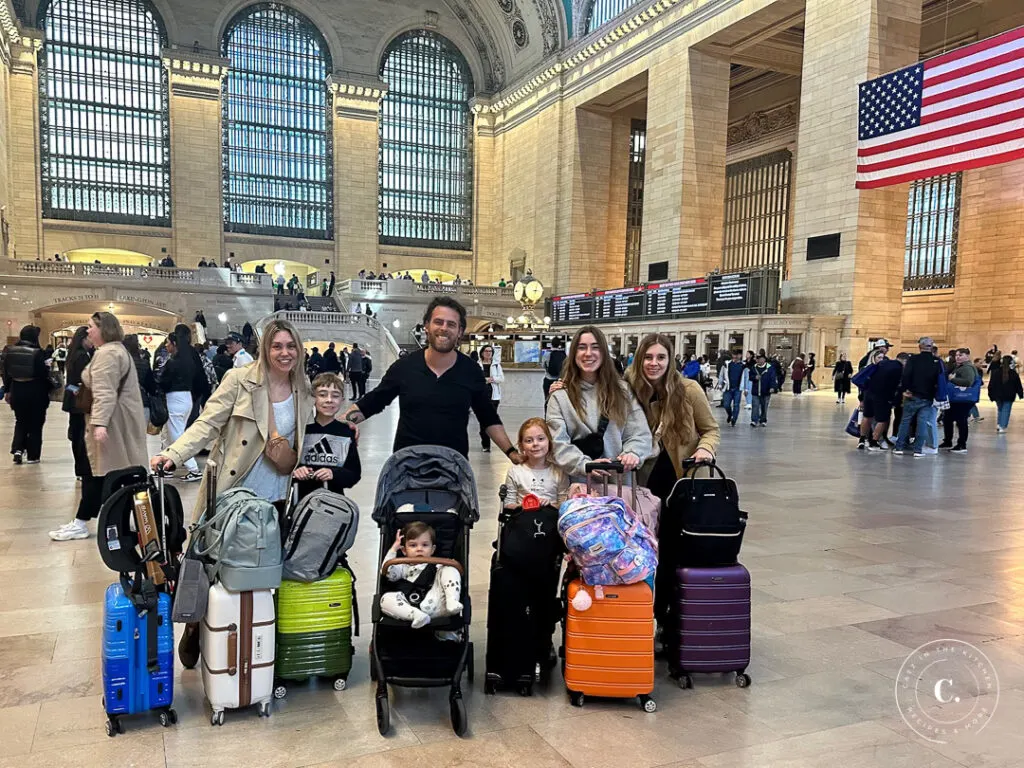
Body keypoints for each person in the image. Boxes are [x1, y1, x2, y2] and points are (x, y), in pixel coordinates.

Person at [151, 318, 314, 667]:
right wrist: (173, 454)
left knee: (260, 572)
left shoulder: (303, 387)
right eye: (277, 346)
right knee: (208, 565)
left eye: (291, 346)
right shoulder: (240, 381)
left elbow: (306, 435)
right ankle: (195, 624)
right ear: (265, 349)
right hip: (230, 490)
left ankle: (251, 646)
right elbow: (207, 424)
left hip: (273, 499)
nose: (285, 353)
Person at [344, 297, 520, 460]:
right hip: (407, 466)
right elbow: (373, 402)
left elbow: (488, 418)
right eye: (438, 322)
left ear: (460, 332)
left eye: (451, 324)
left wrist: (512, 454)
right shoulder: (405, 367)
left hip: (452, 468)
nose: (444, 328)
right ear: (426, 326)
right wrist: (336, 425)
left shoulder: (471, 371)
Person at [49, 312, 147, 541]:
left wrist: (100, 424)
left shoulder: (108, 354)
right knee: (106, 473)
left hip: (113, 424)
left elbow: (104, 393)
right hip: (118, 421)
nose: (88, 330)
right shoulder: (114, 351)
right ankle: (92, 521)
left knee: (100, 472)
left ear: (104, 329)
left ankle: (85, 522)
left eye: (91, 326)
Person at [546, 325, 650, 482]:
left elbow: (639, 433)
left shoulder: (623, 391)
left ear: (604, 353)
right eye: (582, 347)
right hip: (578, 488)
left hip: (619, 484)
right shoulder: (560, 397)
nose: (588, 353)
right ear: (574, 353)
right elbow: (557, 444)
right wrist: (584, 465)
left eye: (595, 347)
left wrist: (633, 452)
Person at [627, 333, 719, 500]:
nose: (654, 363)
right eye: (648, 357)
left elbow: (711, 430)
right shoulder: (629, 390)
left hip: (684, 477)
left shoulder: (689, 389)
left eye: (661, 357)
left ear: (670, 361)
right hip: (643, 479)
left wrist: (705, 448)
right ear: (640, 360)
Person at [379, 522, 462, 631]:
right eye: (413, 545)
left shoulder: (438, 565)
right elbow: (387, 572)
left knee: (450, 569)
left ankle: (452, 601)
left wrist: (451, 565)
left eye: (425, 545)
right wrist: (394, 549)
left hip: (437, 604)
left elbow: (450, 576)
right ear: (404, 550)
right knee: (385, 599)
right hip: (408, 606)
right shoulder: (401, 567)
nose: (419, 549)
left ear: (432, 549)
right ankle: (417, 616)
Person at [292, 373, 361, 499]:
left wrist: (333, 474)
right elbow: (286, 468)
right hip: (301, 504)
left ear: (342, 399)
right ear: (313, 398)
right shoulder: (301, 430)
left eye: (335, 396)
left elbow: (354, 475)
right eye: (322, 395)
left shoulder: (346, 432)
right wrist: (296, 471)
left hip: (333, 506)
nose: (329, 400)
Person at [158, 325, 205, 481]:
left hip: (175, 399)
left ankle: (193, 468)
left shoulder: (173, 362)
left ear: (174, 343)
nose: (166, 345)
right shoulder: (189, 359)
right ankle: (167, 466)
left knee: (176, 435)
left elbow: (164, 382)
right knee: (168, 434)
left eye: (168, 343)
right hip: (186, 398)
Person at [2, 325, 52, 464]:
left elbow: (6, 374)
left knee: (20, 421)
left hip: (17, 389)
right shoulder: (37, 353)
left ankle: (17, 449)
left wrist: (7, 390)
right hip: (35, 391)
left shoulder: (9, 352)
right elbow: (43, 374)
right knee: (36, 423)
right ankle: (33, 455)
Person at [892, 337, 945, 457]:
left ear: (920, 346)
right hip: (928, 397)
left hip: (913, 395)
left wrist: (905, 390)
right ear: (931, 347)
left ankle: (899, 447)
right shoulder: (936, 361)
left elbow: (906, 375)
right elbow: (940, 380)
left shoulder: (913, 359)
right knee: (922, 423)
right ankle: (918, 450)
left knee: (905, 421)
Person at [503, 417, 569, 508]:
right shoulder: (515, 472)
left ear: (549, 442)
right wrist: (525, 505)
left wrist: (549, 505)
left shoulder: (559, 472)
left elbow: (564, 505)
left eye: (541, 439)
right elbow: (508, 504)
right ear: (521, 445)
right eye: (529, 441)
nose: (535, 444)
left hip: (550, 519)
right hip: (522, 518)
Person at [62, 326, 92, 479]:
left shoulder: (75, 353)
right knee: (80, 435)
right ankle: (82, 468)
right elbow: (83, 379)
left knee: (77, 432)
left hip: (74, 398)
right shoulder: (82, 356)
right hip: (79, 399)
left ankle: (80, 468)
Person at [860, 346, 903, 452]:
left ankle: (863, 440)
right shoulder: (889, 368)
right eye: (879, 357)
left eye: (882, 358)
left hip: (868, 395)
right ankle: (873, 442)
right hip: (879, 397)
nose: (881, 360)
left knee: (868, 417)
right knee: (882, 420)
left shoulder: (870, 369)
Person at [941, 348, 977, 453]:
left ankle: (962, 444)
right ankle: (948, 441)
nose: (958, 357)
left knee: (961, 421)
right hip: (956, 399)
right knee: (947, 419)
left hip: (962, 399)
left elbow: (968, 382)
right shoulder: (958, 366)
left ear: (967, 356)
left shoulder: (967, 368)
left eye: (960, 355)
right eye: (957, 355)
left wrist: (952, 379)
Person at [123, 334, 157, 425]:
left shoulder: (120, 364)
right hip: (142, 403)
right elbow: (152, 388)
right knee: (140, 437)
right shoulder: (144, 364)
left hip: (124, 405)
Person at [478, 345, 504, 452]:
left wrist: (492, 379)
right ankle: (485, 443)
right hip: (481, 396)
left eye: (490, 351)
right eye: (486, 351)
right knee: (483, 421)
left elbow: (501, 378)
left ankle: (488, 443)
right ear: (482, 352)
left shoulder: (497, 365)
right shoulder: (477, 365)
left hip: (494, 396)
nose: (488, 353)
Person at [989, 355, 1023, 433]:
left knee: (1000, 410)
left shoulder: (996, 373)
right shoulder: (1013, 373)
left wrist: (991, 395)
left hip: (997, 395)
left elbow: (991, 385)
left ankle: (999, 424)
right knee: (1006, 410)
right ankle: (1002, 426)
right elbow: (1018, 385)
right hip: (1009, 395)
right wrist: (1020, 394)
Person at [719, 349, 748, 427]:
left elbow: (745, 378)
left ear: (740, 356)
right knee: (726, 404)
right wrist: (720, 384)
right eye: (734, 355)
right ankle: (730, 414)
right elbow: (721, 374)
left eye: (737, 355)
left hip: (737, 389)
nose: (735, 357)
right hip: (728, 388)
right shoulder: (726, 364)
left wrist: (746, 388)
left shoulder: (743, 365)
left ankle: (734, 419)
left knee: (736, 405)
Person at [749, 353, 777, 427]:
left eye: (761, 359)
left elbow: (773, 378)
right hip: (756, 390)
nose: (759, 360)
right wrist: (755, 377)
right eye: (758, 359)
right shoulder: (753, 367)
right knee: (755, 405)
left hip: (766, 391)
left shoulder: (770, 368)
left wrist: (772, 387)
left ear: (764, 359)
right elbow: (750, 376)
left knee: (764, 406)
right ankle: (754, 420)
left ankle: (763, 420)